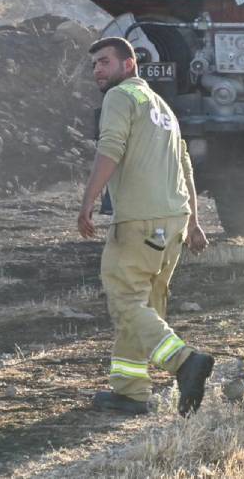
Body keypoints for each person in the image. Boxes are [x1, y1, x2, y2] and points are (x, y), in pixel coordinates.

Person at [78, 36, 213, 416]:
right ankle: (131, 390)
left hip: (141, 218)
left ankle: (185, 362)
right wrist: (195, 223)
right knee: (143, 306)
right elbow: (185, 165)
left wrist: (88, 201)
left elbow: (111, 148)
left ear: (129, 64)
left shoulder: (120, 98)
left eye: (104, 62)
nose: (98, 70)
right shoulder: (162, 107)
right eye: (94, 65)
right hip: (174, 219)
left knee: (124, 300)